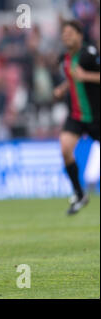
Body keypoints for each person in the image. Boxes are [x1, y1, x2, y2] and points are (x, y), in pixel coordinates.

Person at [53, 20, 100, 215]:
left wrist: (85, 76)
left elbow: (85, 75)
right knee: (65, 149)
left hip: (97, 116)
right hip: (76, 116)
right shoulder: (64, 59)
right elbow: (72, 76)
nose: (67, 36)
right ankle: (79, 194)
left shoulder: (89, 54)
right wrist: (63, 88)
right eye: (64, 33)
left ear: (80, 36)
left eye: (71, 32)